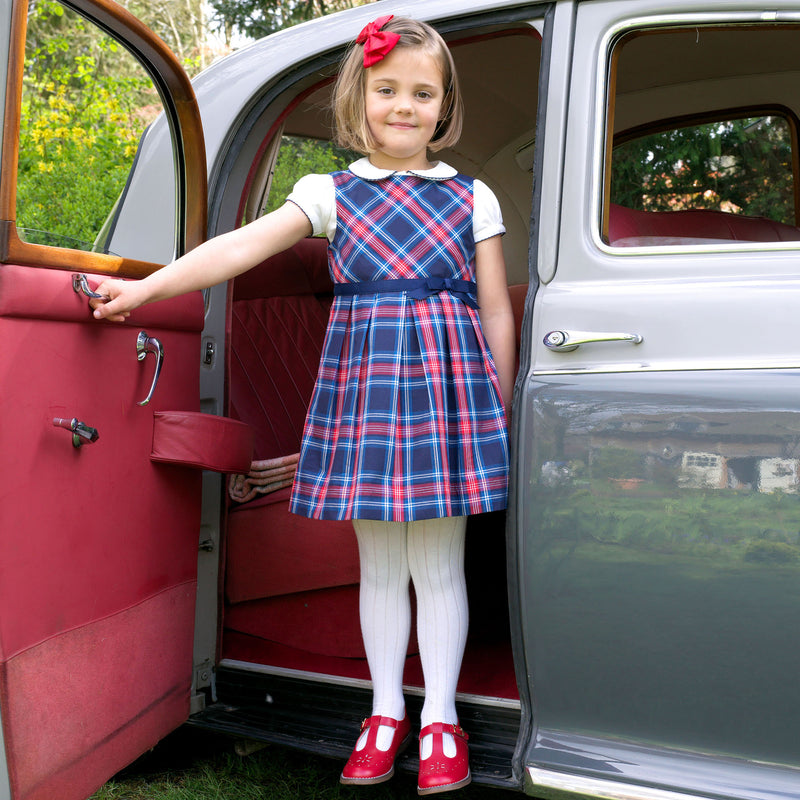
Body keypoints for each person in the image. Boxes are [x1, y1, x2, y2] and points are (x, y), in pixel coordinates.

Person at [92, 13, 514, 795]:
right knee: (381, 565)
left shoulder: (473, 198)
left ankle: (443, 718)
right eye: (388, 89)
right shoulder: (328, 191)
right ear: (360, 99)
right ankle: (385, 713)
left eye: (423, 93)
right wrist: (146, 287)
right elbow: (239, 248)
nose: (404, 106)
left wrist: (494, 405)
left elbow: (495, 310)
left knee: (440, 565)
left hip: (448, 402)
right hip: (366, 398)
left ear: (443, 105)